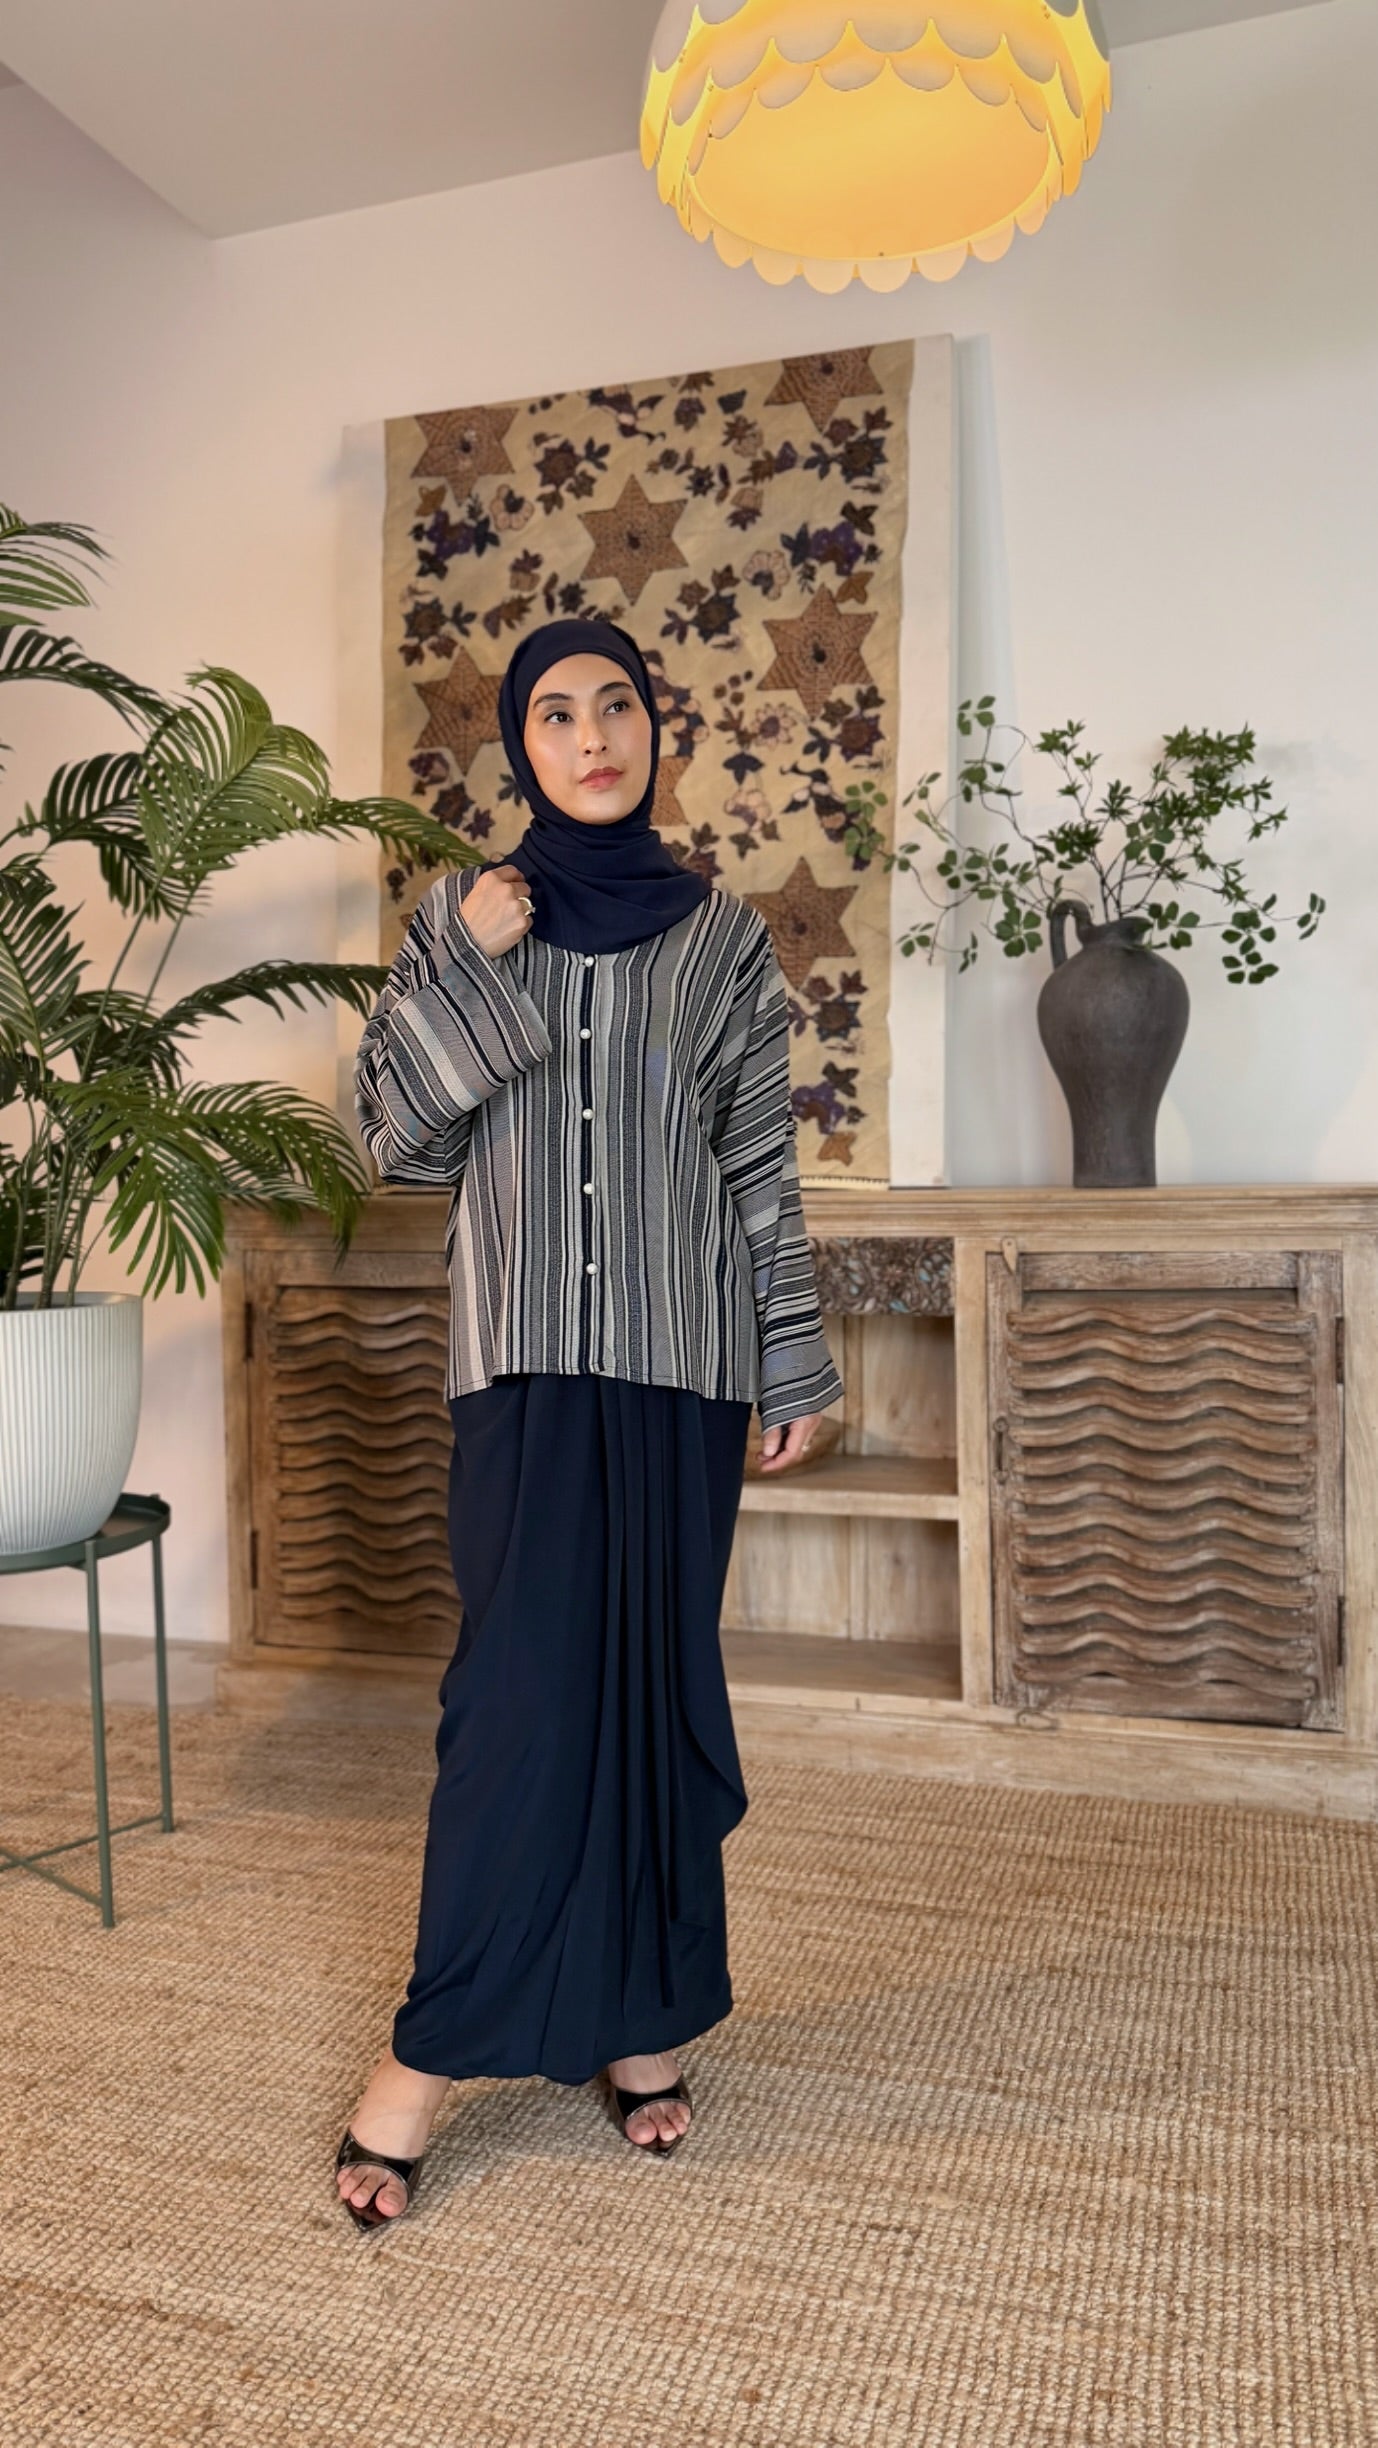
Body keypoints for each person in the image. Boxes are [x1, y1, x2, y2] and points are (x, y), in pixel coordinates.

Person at [336, 615, 844, 2227]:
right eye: (553, 715)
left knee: (645, 1691)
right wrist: (477, 966)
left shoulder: (720, 938)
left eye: (612, 705)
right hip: (527, 1364)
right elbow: (386, 1143)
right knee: (518, 1701)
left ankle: (636, 2028)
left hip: (684, 1366)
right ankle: (424, 2060)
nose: (590, 736)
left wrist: (797, 1363)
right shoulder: (465, 918)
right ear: (519, 748)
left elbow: (756, 1166)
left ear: (652, 725)